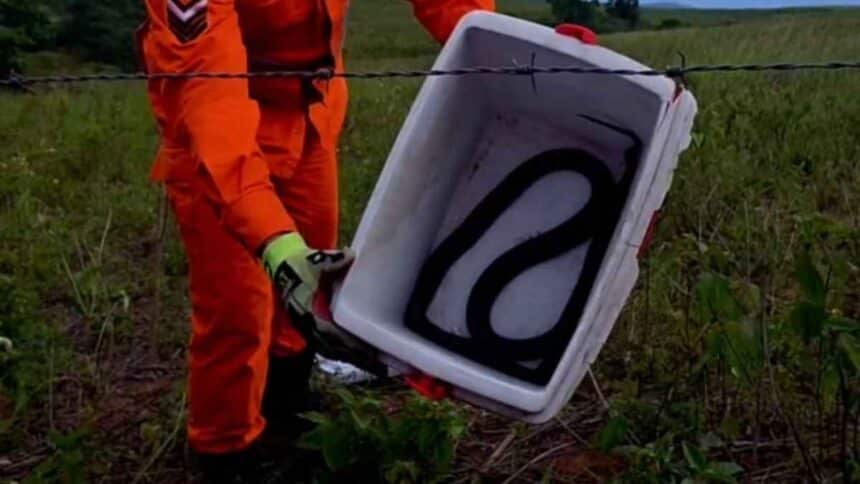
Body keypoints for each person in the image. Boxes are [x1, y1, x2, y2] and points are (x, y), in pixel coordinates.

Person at [137, 0, 494, 480]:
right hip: (219, 144)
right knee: (238, 312)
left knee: (307, 300)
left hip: (310, 120)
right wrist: (276, 244)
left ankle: (288, 415)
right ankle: (226, 455)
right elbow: (211, 104)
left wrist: (509, 47)